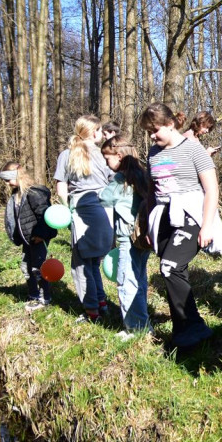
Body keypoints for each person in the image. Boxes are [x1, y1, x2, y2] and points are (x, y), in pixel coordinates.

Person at [139, 102, 219, 349]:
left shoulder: (193, 149)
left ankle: (187, 331)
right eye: (149, 132)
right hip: (163, 216)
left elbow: (212, 189)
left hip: (190, 214)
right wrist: (148, 224)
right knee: (174, 272)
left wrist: (207, 226)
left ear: (170, 124)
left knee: (170, 266)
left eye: (155, 130)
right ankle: (192, 326)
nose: (152, 136)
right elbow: (152, 191)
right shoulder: (153, 153)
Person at [54, 114, 114, 323]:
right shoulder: (105, 154)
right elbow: (114, 181)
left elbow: (61, 187)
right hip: (105, 211)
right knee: (93, 262)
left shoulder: (66, 154)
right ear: (95, 132)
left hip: (82, 210)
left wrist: (66, 209)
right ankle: (101, 302)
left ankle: (92, 311)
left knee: (81, 265)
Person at [99, 133, 154, 338]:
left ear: (119, 156)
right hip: (142, 238)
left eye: (107, 158)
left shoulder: (121, 179)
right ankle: (142, 323)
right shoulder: (143, 174)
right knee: (139, 281)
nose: (106, 163)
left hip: (127, 239)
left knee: (126, 282)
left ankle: (136, 328)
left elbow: (104, 199)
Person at [0, 161, 57, 311]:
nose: (7, 183)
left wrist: (41, 234)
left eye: (8, 180)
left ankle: (44, 298)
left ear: (17, 176)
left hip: (37, 238)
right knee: (26, 267)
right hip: (28, 239)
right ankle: (33, 295)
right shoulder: (17, 194)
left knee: (39, 269)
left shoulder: (35, 193)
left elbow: (44, 215)